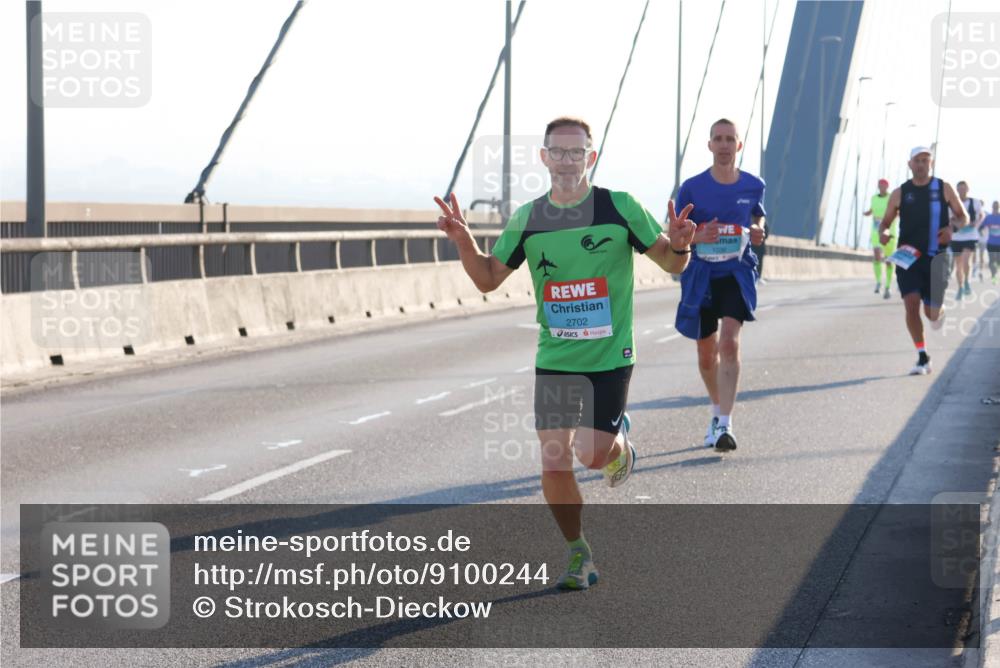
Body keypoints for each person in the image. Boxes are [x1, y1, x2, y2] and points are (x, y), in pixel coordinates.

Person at [434, 117, 695, 590]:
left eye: (578, 153)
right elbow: (489, 277)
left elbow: (670, 262)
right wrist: (462, 240)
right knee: (554, 461)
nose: (569, 160)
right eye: (560, 152)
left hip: (610, 357)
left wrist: (680, 246)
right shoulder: (529, 219)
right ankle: (579, 554)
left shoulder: (619, 207)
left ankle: (619, 446)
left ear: (590, 158)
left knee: (591, 456)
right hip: (555, 358)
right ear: (545, 157)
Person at [674, 119, 766, 451]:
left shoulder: (754, 185)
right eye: (718, 139)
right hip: (700, 275)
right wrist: (698, 236)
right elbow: (674, 232)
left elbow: (757, 215)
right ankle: (716, 411)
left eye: (730, 139)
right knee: (705, 352)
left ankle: (726, 424)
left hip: (736, 272)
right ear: (710, 145)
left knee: (729, 342)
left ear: (739, 145)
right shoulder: (692, 187)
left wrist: (758, 229)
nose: (724, 144)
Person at [878, 146, 967, 375]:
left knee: (931, 314)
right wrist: (884, 233)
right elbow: (885, 223)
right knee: (911, 303)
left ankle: (939, 309)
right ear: (910, 164)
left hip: (937, 256)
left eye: (926, 160)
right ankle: (922, 356)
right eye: (917, 160)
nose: (921, 164)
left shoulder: (944, 188)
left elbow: (962, 216)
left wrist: (952, 228)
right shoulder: (900, 193)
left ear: (932, 163)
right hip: (908, 256)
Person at [863, 178, 897, 299]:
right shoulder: (874, 198)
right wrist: (867, 213)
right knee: (877, 254)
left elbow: (897, 211)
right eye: (879, 185)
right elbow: (872, 210)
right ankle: (878, 282)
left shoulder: (892, 198)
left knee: (888, 261)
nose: (881, 187)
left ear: (887, 186)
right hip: (876, 230)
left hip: (889, 231)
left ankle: (887, 287)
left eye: (883, 185)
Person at [951, 181, 984, 299]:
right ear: (956, 190)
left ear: (967, 189)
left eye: (964, 189)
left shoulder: (975, 202)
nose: (962, 191)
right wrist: (958, 223)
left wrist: (976, 224)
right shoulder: (952, 203)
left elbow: (981, 215)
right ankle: (960, 287)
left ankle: (967, 282)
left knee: (966, 260)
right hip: (956, 237)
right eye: (959, 189)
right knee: (958, 264)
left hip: (970, 236)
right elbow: (948, 219)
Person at [984, 201, 1000, 284]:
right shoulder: (988, 217)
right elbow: (981, 227)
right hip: (990, 243)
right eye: (994, 206)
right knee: (991, 260)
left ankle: (996, 271)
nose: (995, 208)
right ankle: (993, 275)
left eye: (997, 206)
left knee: (998, 261)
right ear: (992, 207)